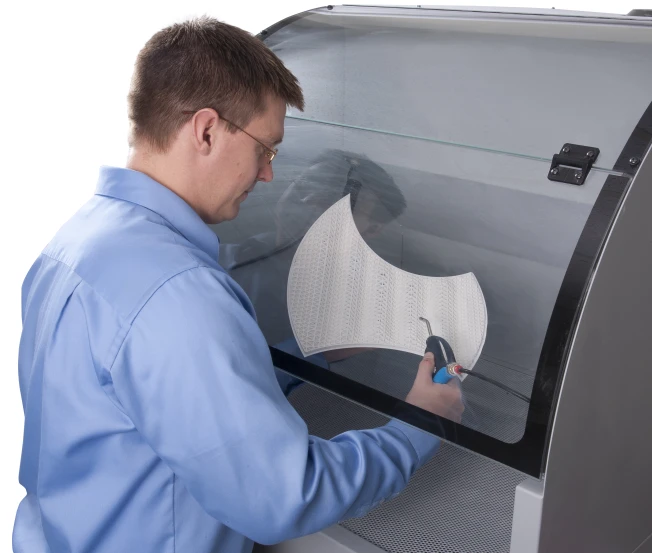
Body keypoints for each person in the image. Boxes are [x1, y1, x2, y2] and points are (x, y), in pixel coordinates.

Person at [13, 16, 463, 553]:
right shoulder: (177, 291)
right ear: (206, 130)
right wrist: (421, 422)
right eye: (265, 149)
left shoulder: (78, 242)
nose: (268, 174)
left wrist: (313, 354)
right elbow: (285, 497)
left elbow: (161, 399)